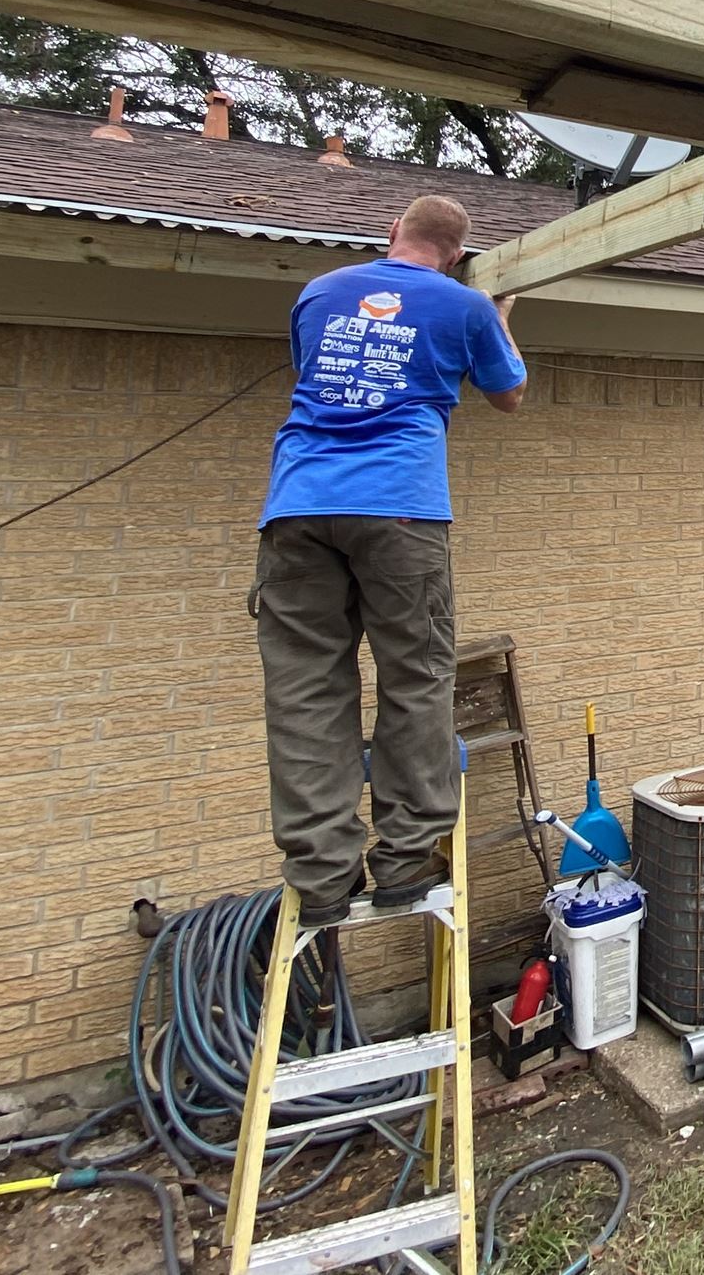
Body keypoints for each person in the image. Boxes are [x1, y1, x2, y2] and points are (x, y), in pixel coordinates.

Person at [254, 193, 527, 926]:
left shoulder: (320, 293)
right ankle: (403, 861)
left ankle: (320, 875)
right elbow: (508, 395)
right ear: (459, 255)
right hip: (399, 506)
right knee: (414, 677)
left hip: (299, 505)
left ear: (391, 235)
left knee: (306, 690)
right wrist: (497, 318)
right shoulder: (464, 303)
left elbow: (326, 378)